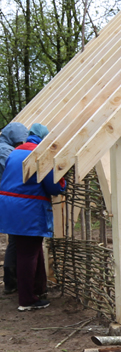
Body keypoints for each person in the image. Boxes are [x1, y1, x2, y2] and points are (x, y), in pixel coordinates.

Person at [0, 123, 66, 311]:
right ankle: (27, 300)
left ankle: (38, 290)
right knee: (27, 254)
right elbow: (53, 187)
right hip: (28, 209)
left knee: (32, 249)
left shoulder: (16, 152)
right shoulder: (40, 154)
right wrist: (63, 182)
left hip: (10, 207)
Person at [0, 122, 29, 295]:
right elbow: (15, 173)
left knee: (14, 239)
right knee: (16, 240)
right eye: (19, 142)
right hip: (9, 198)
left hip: (6, 198)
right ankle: (10, 281)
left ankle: (11, 281)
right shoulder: (5, 152)